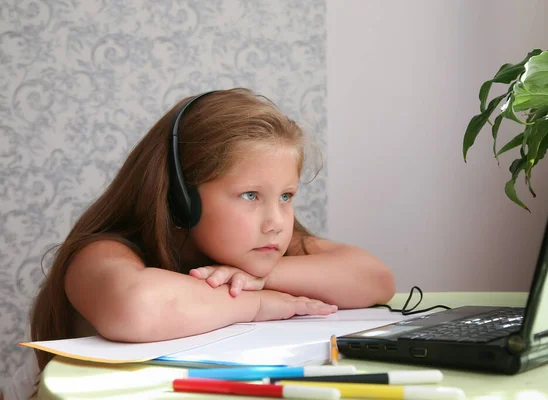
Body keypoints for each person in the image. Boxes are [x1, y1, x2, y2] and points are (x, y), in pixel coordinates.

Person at [4, 88, 395, 400]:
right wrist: (258, 302)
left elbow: (375, 280)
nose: (276, 222)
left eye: (286, 196)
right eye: (249, 196)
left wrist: (262, 277)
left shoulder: (257, 247)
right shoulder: (104, 251)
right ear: (180, 198)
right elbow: (137, 307)